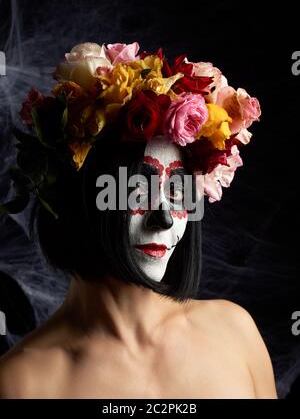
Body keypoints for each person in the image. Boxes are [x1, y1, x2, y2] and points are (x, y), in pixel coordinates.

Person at [0, 42, 277, 398]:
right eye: (137, 190)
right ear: (79, 197)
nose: (163, 219)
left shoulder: (235, 333)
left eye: (177, 191)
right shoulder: (22, 383)